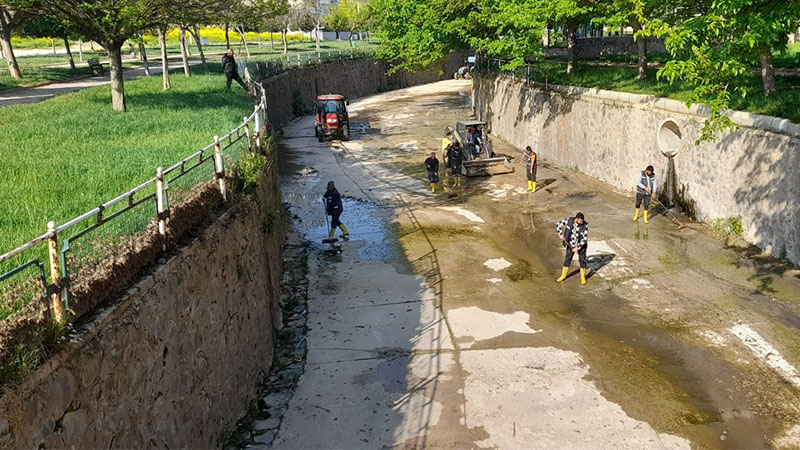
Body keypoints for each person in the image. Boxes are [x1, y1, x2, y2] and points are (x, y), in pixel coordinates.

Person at [556, 213, 590, 285]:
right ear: (576, 219)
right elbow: (558, 224)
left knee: (582, 262)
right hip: (570, 245)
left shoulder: (585, 225)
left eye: (582, 221)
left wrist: (578, 247)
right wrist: (560, 235)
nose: (581, 222)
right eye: (580, 221)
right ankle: (563, 276)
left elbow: (584, 238)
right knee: (567, 260)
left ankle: (583, 277)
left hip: (581, 247)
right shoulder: (569, 220)